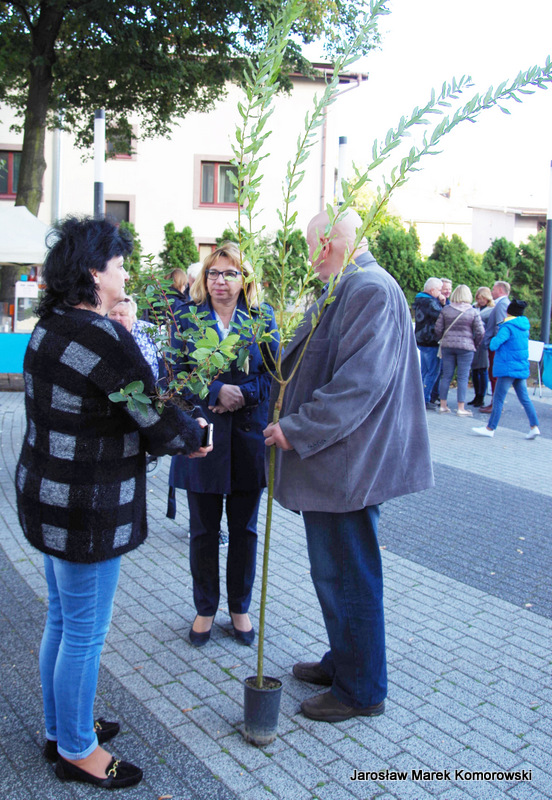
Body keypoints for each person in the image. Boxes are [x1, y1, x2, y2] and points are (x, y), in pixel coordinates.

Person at [15, 217, 211, 790]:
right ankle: (78, 750)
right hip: (88, 508)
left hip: (49, 498)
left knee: (62, 619)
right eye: (120, 265)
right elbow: (150, 408)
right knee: (83, 632)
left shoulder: (51, 325)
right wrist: (194, 436)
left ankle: (61, 728)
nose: (126, 274)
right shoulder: (100, 335)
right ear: (94, 273)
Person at [263, 209, 434, 723]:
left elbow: (359, 384)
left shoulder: (368, 288)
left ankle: (361, 690)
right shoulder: (353, 285)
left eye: (309, 248)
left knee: (347, 577)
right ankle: (345, 661)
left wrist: (297, 429)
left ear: (326, 245)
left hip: (345, 465)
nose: (308, 260)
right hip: (339, 463)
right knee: (335, 573)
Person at [168, 243, 279, 647]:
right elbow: (174, 375)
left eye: (230, 273)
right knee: (203, 531)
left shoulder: (261, 318)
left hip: (248, 438)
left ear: (244, 279)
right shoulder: (187, 317)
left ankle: (239, 607)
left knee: (244, 530)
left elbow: (274, 375)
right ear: (204, 278)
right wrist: (215, 390)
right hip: (203, 438)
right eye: (214, 273)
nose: (221, 281)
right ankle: (205, 608)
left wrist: (243, 395)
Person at [472, 299, 540, 439]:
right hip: (520, 367)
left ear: (508, 312)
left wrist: (494, 337)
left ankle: (490, 428)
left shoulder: (507, 327)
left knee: (498, 399)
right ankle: (534, 427)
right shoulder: (524, 327)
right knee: (525, 399)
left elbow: (494, 345)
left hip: (507, 368)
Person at [434, 284, 485, 416]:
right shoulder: (473, 312)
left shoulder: (446, 310)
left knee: (446, 376)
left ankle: (443, 406)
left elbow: (438, 329)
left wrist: (443, 338)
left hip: (448, 346)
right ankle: (461, 408)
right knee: (463, 377)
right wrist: (475, 343)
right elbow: (480, 332)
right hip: (466, 347)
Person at [109, 296, 160, 380]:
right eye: (113, 314)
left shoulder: (148, 329)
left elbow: (165, 357)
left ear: (132, 316)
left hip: (150, 385)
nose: (117, 318)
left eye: (122, 314)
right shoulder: (103, 332)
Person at [479, 280, 511, 413]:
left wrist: (495, 345)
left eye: (493, 289)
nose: (491, 292)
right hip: (496, 345)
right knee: (493, 375)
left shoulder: (502, 304)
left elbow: (500, 326)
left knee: (494, 375)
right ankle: (495, 403)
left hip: (496, 347)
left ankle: (496, 404)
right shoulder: (502, 303)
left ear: (500, 290)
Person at [413, 277, 445, 409]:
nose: (441, 293)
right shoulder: (431, 302)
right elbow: (443, 316)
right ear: (432, 290)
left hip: (420, 339)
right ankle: (424, 399)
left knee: (424, 371)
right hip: (431, 340)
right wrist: (443, 303)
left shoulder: (419, 300)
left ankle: (417, 397)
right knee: (432, 372)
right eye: (439, 290)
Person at [468, 287, 494, 407]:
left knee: (482, 369)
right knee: (474, 369)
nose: (481, 300)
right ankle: (476, 395)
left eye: (483, 298)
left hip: (484, 341)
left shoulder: (492, 309)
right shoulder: (473, 307)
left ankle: (481, 396)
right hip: (473, 340)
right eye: (479, 298)